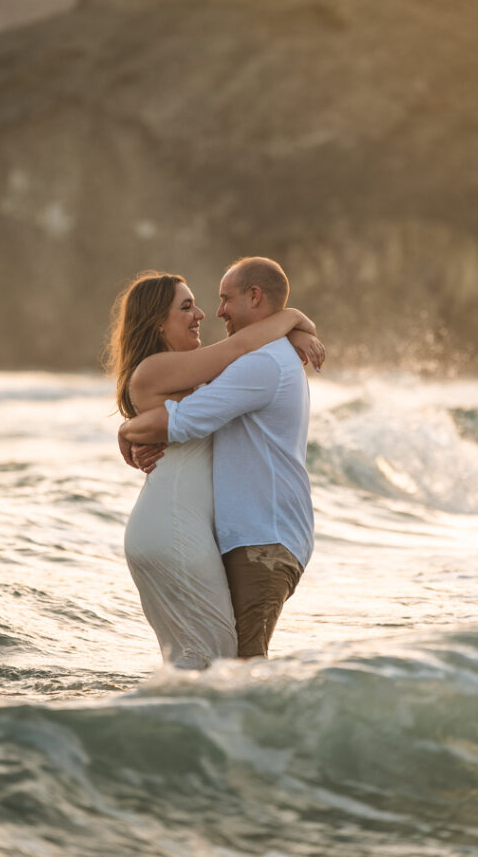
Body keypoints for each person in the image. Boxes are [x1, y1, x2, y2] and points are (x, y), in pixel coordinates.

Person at [107, 269, 323, 670]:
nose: (204, 314)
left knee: (204, 661)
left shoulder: (200, 370)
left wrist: (291, 332)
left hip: (173, 524)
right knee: (213, 661)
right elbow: (238, 349)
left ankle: (162, 723)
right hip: (172, 525)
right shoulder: (158, 368)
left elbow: (244, 354)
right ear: (157, 322)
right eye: (186, 307)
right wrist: (293, 318)